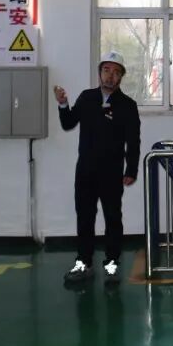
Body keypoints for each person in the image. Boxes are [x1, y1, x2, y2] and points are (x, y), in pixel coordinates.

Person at [54, 51, 141, 285]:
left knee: (113, 219)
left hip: (112, 173)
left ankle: (112, 265)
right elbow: (68, 123)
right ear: (100, 72)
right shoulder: (87, 97)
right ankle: (84, 263)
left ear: (121, 77)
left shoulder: (128, 105)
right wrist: (63, 104)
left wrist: (131, 170)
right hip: (85, 171)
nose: (111, 76)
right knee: (85, 218)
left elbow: (133, 141)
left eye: (116, 72)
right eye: (106, 70)